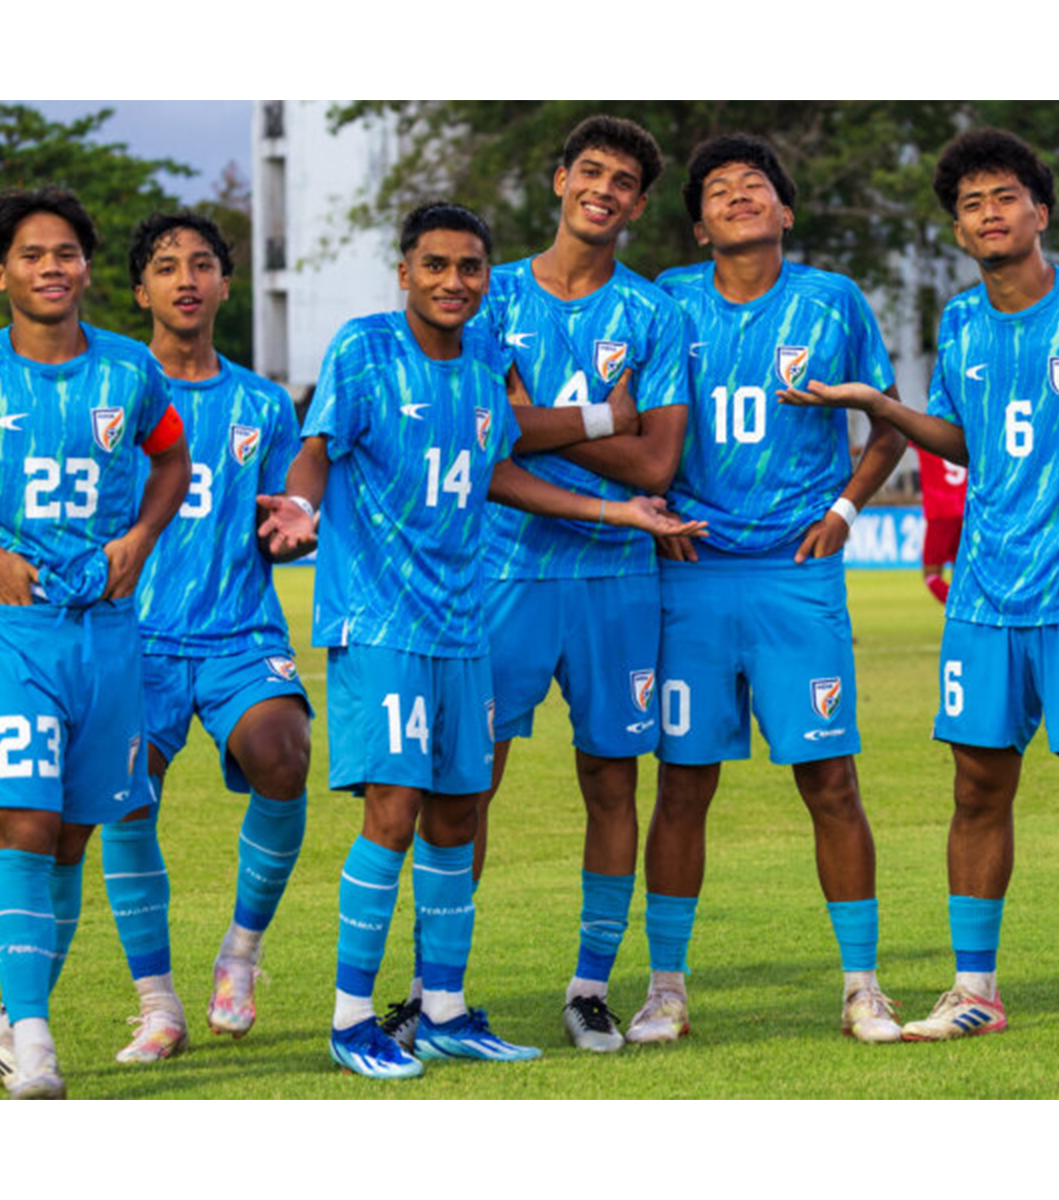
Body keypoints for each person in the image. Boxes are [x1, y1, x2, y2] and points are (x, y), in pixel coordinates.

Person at [783, 128, 1059, 1050]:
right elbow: (966, 441)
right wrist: (881, 405)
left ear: (1040, 212)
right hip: (984, 598)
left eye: (1004, 198)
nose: (989, 214)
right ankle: (974, 988)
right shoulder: (963, 322)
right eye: (972, 205)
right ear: (959, 228)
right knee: (977, 791)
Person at [258, 201, 701, 1080]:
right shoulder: (365, 347)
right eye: (436, 266)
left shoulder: (480, 373)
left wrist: (616, 505)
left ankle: (448, 1007)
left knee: (458, 815)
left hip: (463, 626)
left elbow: (503, 466)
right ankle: (351, 1020)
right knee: (393, 813)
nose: (454, 282)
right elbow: (318, 447)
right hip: (382, 623)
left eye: (469, 268)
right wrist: (301, 504)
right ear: (405, 273)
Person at [386, 116, 688, 1055]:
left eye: (624, 181)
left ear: (638, 205)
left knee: (611, 781)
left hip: (617, 586)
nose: (604, 189)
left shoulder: (654, 313)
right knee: (465, 788)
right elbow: (488, 451)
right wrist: (601, 413)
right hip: (499, 576)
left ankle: (592, 987)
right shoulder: (489, 290)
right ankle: (437, 992)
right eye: (589, 171)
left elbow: (658, 460)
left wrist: (529, 419)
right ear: (561, 181)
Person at [626, 133, 909, 1046]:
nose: (738, 195)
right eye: (717, 190)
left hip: (796, 575)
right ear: (699, 225)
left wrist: (846, 504)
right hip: (693, 572)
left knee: (831, 780)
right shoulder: (664, 299)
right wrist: (649, 503)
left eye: (756, 186)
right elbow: (627, 411)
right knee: (682, 785)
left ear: (785, 212)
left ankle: (863, 985)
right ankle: (665, 987)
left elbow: (889, 422)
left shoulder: (833, 300)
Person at [0, 188, 190, 1097]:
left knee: (73, 838)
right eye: (32, 254)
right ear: (0, 271)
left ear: (87, 268)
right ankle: (40, 1050)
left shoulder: (130, 370)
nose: (51, 267)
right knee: (27, 821)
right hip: (17, 632)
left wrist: (140, 539)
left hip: (111, 637)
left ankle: (14, 1023)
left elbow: (171, 458)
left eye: (66, 252)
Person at [86, 212, 313, 1066]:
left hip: (237, 631)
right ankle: (157, 1005)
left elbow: (282, 516)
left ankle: (240, 956)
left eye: (204, 264)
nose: (186, 278)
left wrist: (299, 529)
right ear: (140, 289)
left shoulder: (260, 403)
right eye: (166, 266)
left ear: (225, 284)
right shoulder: (107, 388)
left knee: (283, 754)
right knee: (125, 797)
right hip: (132, 636)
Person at [917, 444, 966, 603]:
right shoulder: (964, 432)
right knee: (961, 572)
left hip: (940, 510)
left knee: (931, 574)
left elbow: (891, 438)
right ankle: (965, 612)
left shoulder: (925, 429)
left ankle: (956, 608)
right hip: (968, 509)